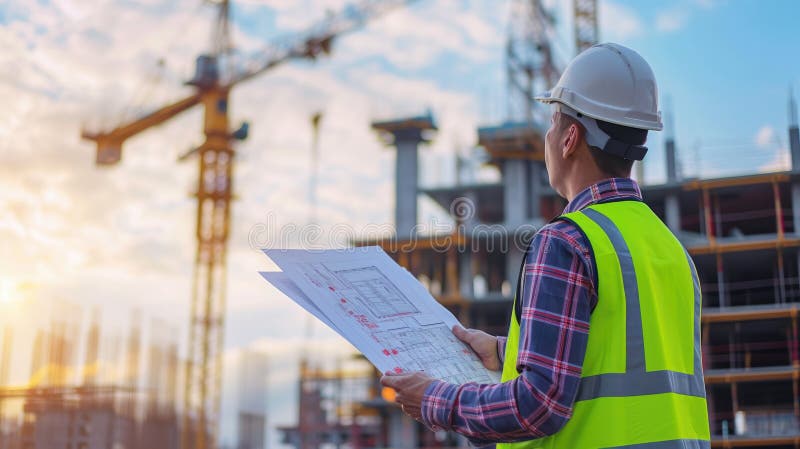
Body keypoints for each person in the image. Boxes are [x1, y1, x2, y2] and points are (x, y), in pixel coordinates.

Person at [381, 43, 711, 448]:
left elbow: (538, 405)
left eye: (552, 123)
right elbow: (621, 363)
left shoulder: (568, 241)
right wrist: (507, 352)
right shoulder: (670, 249)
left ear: (570, 138)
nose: (548, 138)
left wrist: (434, 398)